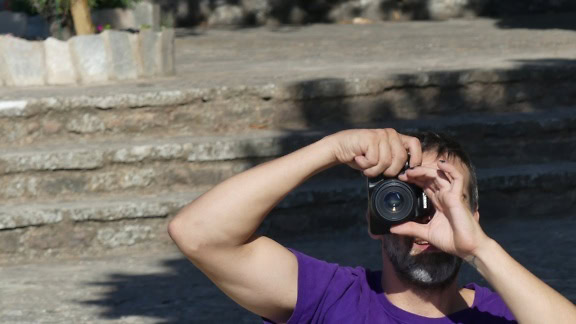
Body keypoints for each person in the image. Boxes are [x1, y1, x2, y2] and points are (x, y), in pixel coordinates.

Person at [168, 129, 576, 323]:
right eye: (409, 200)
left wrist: (478, 250)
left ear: (475, 219)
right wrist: (332, 148)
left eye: (448, 198)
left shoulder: (508, 313)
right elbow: (197, 233)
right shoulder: (332, 297)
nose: (429, 218)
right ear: (376, 220)